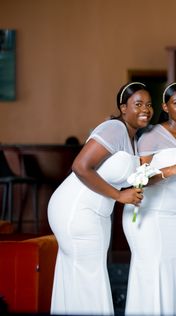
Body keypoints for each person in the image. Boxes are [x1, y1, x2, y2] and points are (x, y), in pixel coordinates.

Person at [47, 82, 153, 315]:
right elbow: (80, 166)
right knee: (89, 273)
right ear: (123, 107)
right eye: (138, 104)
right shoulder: (113, 128)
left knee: (82, 271)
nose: (145, 109)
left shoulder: (135, 138)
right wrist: (119, 195)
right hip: (76, 208)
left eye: (149, 104)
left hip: (98, 211)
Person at [122, 82, 176, 315]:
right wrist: (172, 169)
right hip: (150, 215)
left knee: (173, 273)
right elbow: (138, 179)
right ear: (165, 107)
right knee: (151, 275)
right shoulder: (151, 135)